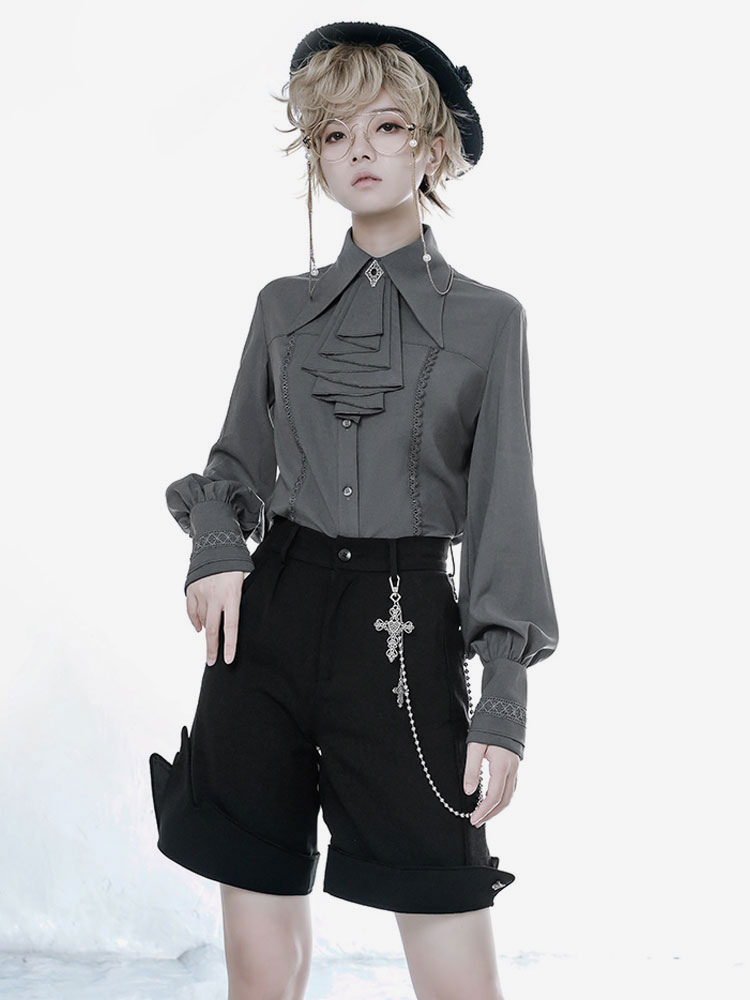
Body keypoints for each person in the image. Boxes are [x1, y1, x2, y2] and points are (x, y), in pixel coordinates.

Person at [149, 21, 559, 1000]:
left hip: (404, 629)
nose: (359, 150)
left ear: (433, 145)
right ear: (316, 156)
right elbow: (235, 463)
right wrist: (218, 548)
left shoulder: (490, 321)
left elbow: (505, 508)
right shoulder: (281, 308)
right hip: (267, 623)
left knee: (448, 929)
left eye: (385, 126)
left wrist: (502, 698)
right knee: (259, 948)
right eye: (334, 133)